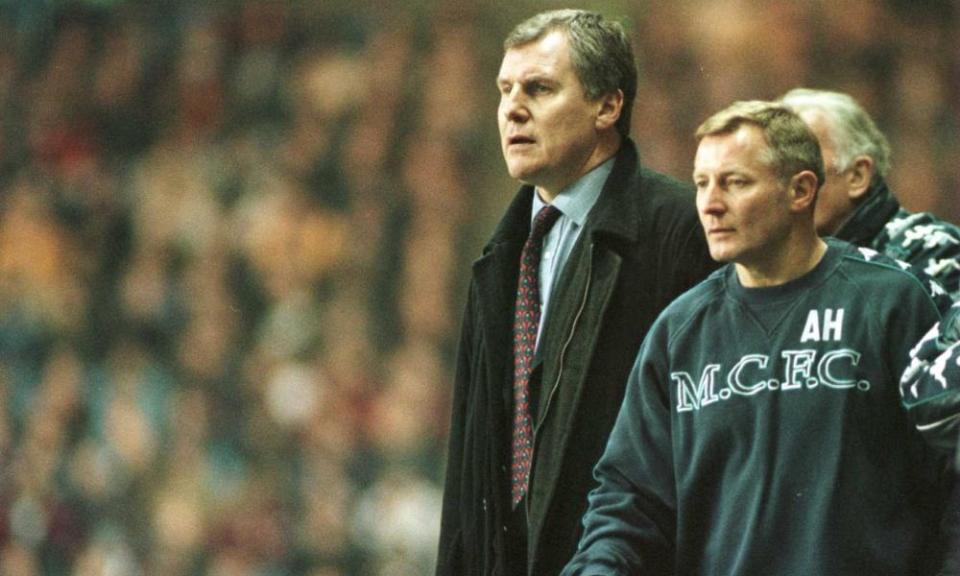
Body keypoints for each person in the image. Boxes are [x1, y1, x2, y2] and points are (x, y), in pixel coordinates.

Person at [562, 101, 951, 575]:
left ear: (801, 190)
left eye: (735, 182)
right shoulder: (679, 330)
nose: (709, 203)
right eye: (702, 182)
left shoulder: (891, 301)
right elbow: (628, 498)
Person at [436, 9, 716, 576]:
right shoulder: (498, 257)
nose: (512, 108)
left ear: (607, 106)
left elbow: (706, 449)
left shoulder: (682, 229)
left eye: (539, 88)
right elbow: (470, 473)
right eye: (505, 89)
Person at [779, 87, 960, 298]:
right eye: (773, 165)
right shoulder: (758, 264)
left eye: (801, 159)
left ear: (857, 176)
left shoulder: (934, 252)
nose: (782, 182)